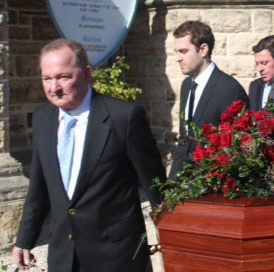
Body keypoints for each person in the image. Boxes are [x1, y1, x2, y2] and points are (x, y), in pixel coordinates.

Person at [13, 39, 166, 272]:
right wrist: (25, 239)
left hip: (117, 256)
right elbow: (40, 185)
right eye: (47, 78)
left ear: (87, 74)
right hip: (64, 255)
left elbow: (155, 184)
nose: (54, 88)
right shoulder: (43, 117)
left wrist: (172, 237)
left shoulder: (123, 117)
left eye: (63, 77)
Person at [170, 21, 249, 177]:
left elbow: (236, 148)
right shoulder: (187, 85)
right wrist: (171, 184)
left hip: (212, 185)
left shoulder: (229, 89)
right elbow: (184, 140)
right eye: (176, 52)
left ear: (203, 49)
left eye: (183, 51)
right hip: (184, 184)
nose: (177, 58)